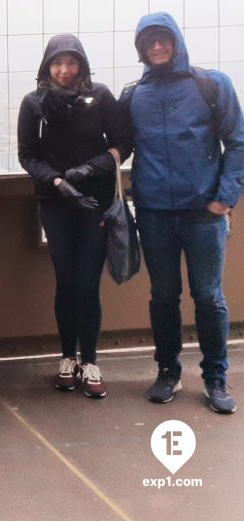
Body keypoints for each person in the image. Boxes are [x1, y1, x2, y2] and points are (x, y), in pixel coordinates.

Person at [122, 13, 244, 413]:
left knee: (208, 298)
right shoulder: (133, 95)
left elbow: (238, 143)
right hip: (154, 213)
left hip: (204, 215)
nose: (157, 47)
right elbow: (119, 145)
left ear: (176, 41)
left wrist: (224, 199)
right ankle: (168, 372)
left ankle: (215, 378)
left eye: (164, 39)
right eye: (149, 41)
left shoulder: (211, 85)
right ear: (141, 48)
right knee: (163, 297)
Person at [16, 35, 132, 399]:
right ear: (46, 66)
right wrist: (58, 182)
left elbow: (123, 143)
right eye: (57, 63)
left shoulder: (100, 96)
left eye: (71, 62)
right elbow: (27, 154)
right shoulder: (33, 103)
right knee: (66, 282)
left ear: (82, 63)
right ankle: (67, 357)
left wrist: (88, 170)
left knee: (86, 284)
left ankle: (91, 360)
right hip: (55, 204)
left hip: (95, 203)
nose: (64, 70)